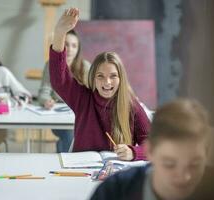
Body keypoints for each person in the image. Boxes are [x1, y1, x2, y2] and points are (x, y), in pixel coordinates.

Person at [49, 8, 150, 160]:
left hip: (116, 175)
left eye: (113, 76)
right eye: (100, 76)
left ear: (121, 78)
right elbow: (59, 80)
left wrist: (134, 152)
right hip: (81, 173)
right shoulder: (83, 99)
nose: (107, 82)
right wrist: (59, 33)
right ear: (93, 78)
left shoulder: (131, 105)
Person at [90, 98, 212, 200]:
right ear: (150, 152)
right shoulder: (112, 193)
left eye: (195, 165)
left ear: (207, 154)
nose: (184, 177)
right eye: (169, 164)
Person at [38, 29, 91, 153]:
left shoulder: (85, 66)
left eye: (74, 45)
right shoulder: (51, 64)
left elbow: (92, 92)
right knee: (69, 133)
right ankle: (68, 165)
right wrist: (46, 101)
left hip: (80, 114)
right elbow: (43, 93)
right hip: (58, 116)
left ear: (78, 49)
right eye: (66, 44)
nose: (70, 49)